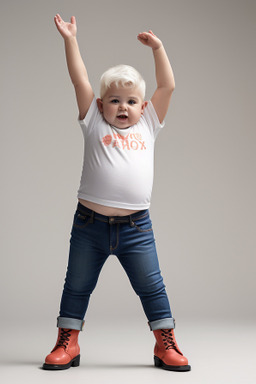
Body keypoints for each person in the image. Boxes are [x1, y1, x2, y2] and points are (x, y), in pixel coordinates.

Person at [42, 14, 191, 372]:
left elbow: (167, 86)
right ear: (100, 105)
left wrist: (158, 48)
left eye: (131, 101)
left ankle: (165, 343)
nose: (123, 107)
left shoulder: (149, 124)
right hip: (89, 225)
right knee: (76, 286)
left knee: (152, 286)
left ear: (143, 107)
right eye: (114, 100)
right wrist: (71, 40)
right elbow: (79, 78)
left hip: (136, 229)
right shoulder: (92, 120)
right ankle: (68, 342)